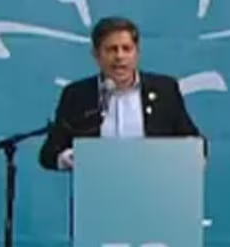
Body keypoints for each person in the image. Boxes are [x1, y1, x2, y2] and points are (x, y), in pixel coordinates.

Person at [37, 16, 203, 172]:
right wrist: (68, 158)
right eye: (111, 49)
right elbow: (49, 154)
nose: (119, 56)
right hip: (96, 189)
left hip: (155, 186)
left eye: (126, 49)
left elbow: (195, 141)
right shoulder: (77, 94)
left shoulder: (164, 90)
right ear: (96, 55)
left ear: (137, 53)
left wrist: (192, 156)